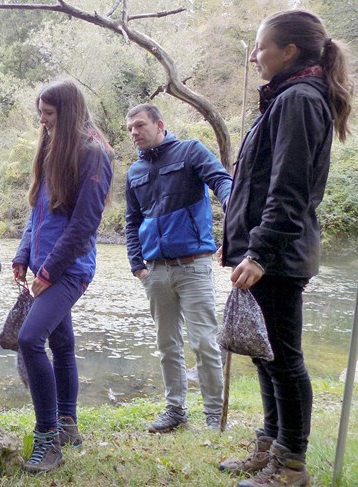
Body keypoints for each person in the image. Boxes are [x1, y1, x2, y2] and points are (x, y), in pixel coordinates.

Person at [218, 10, 353, 487]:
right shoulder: (285, 98)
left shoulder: (298, 100)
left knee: (283, 358)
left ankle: (291, 465)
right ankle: (270, 445)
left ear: (288, 52)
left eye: (260, 48)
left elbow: (290, 190)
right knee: (264, 351)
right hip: (269, 253)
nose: (255, 56)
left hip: (278, 255)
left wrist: (259, 252)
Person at [12, 79, 113, 473]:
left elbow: (85, 224)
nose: (43, 122)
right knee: (62, 343)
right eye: (41, 115)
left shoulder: (93, 154)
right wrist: (23, 256)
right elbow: (38, 212)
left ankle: (48, 437)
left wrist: (50, 271)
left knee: (29, 338)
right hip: (44, 266)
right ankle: (68, 423)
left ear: (68, 112)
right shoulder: (52, 146)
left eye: (49, 115)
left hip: (70, 269)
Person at [124, 104, 232, 433]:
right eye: (130, 129)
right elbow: (132, 222)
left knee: (203, 342)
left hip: (193, 266)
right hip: (154, 271)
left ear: (160, 124)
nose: (134, 133)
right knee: (167, 345)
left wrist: (233, 205)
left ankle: (214, 416)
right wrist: (137, 266)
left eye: (140, 126)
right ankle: (175, 411)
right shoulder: (134, 172)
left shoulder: (190, 151)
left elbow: (221, 181)